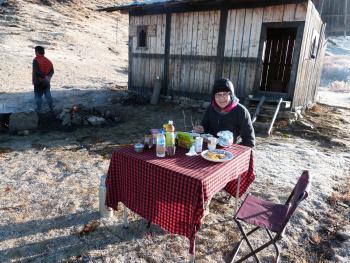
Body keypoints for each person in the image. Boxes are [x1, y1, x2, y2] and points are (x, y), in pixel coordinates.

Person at [194, 78, 255, 147]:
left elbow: (250, 142)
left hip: (230, 150)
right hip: (210, 148)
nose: (221, 98)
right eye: (218, 94)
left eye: (225, 94)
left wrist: (234, 149)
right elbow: (204, 129)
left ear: (231, 95)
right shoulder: (210, 108)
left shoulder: (241, 111)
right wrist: (201, 130)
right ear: (213, 96)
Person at [32, 46, 54, 112]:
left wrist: (42, 77)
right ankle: (51, 108)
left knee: (38, 96)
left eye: (35, 51)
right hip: (46, 82)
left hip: (38, 82)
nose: (35, 52)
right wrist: (47, 78)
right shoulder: (48, 61)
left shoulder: (36, 60)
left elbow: (36, 71)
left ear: (37, 52)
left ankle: (39, 109)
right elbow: (52, 71)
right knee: (48, 94)